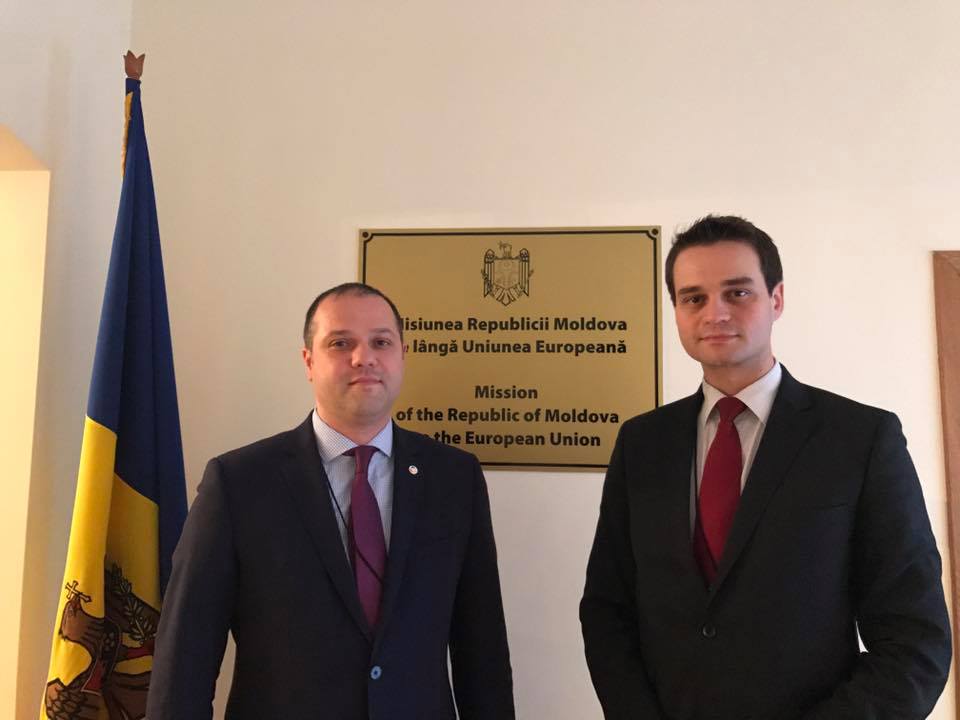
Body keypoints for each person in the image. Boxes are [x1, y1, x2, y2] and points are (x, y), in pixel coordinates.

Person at [580, 215, 951, 719]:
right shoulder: (642, 444)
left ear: (776, 299)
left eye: (737, 293)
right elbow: (608, 609)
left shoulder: (860, 439)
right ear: (676, 311)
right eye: (693, 298)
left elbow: (915, 642)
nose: (715, 313)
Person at [147, 282, 515, 720]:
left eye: (381, 342)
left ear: (402, 355)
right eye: (341, 343)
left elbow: (482, 649)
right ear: (308, 361)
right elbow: (186, 653)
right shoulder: (240, 482)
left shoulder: (454, 479)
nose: (364, 358)